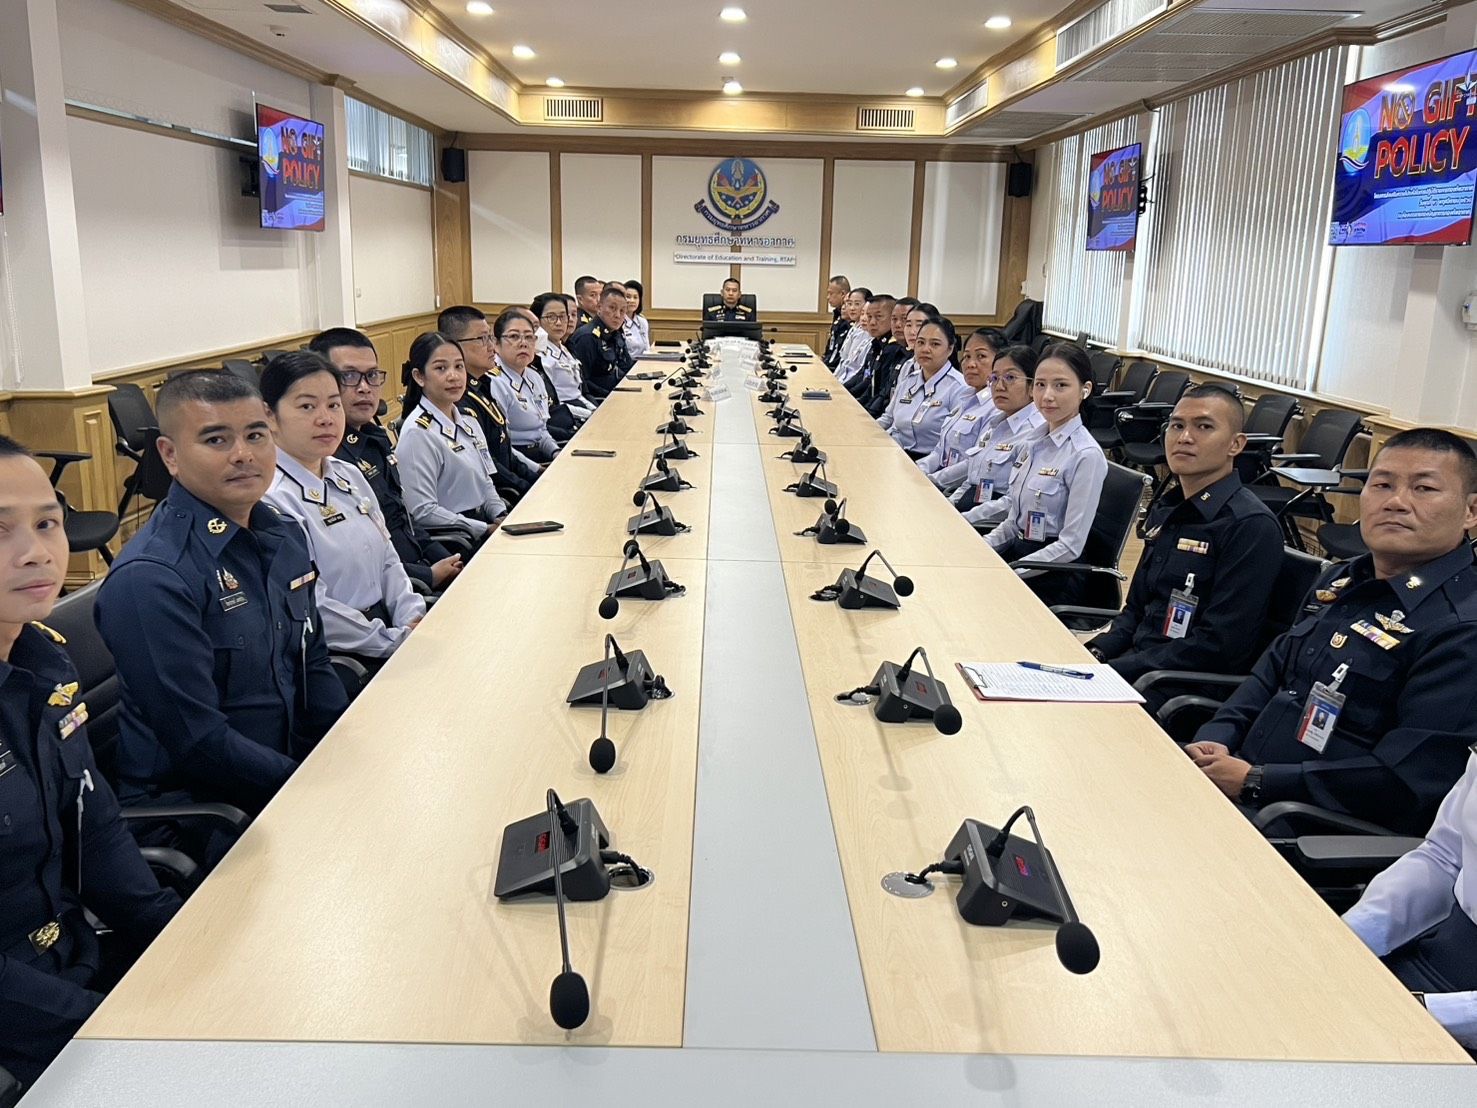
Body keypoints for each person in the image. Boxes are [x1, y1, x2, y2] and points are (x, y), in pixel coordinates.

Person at [1185, 428, 1477, 836]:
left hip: (1309, 830)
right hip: (1240, 788)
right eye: (1382, 484)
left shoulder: (1462, 629)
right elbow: (1273, 671)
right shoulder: (1344, 579)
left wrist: (1256, 780)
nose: (1396, 502)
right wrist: (1219, 733)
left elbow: (1403, 783)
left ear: (1471, 511)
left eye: (1423, 488)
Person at [0, 435, 181, 1090]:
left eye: (47, 523)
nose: (36, 551)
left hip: (76, 960)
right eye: (0, 530)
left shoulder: (43, 661)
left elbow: (93, 824)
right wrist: (102, 1033)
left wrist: (175, 937)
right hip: (26, 1025)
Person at [96, 371, 348, 819]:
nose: (243, 455)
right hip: (201, 810)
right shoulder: (153, 578)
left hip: (284, 775)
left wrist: (346, 750)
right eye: (216, 440)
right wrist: (310, 789)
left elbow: (312, 660)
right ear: (170, 455)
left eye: (256, 435)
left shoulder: (283, 533)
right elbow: (199, 743)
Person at [1085, 386, 1282, 706]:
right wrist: (1097, 652)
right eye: (1177, 425)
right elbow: (1135, 610)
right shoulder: (1170, 508)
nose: (1185, 437)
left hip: (1181, 688)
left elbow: (1218, 647)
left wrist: (1117, 670)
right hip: (1137, 667)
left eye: (1204, 426)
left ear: (1236, 444)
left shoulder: (1249, 526)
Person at [261, 353, 425, 666]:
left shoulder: (347, 473)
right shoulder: (272, 500)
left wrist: (412, 616)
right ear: (269, 415)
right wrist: (392, 641)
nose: (326, 418)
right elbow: (314, 605)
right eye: (307, 406)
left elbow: (388, 557)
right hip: (342, 656)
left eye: (333, 405)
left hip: (393, 632)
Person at [309, 328, 463, 595]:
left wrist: (448, 558)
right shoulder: (327, 460)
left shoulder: (374, 438)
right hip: (396, 589)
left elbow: (401, 517)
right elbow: (358, 558)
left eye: (371, 375)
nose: (364, 387)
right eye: (349, 376)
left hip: (418, 570)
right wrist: (427, 575)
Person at [1344, 752, 1477, 1051]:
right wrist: (1348, 939)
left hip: (1461, 1017)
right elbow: (1445, 857)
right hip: (1437, 955)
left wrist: (1422, 1013)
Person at [985, 342, 1109, 605]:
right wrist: (981, 548)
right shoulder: (1031, 442)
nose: (1047, 395)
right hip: (1019, 555)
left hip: (1053, 573)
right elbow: (1013, 521)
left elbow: (1070, 545)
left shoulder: (1085, 455)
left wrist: (1013, 572)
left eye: (1060, 385)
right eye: (1041, 384)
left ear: (1085, 390)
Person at [395, 332, 509, 540]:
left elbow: (485, 483)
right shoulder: (417, 434)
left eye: (459, 366)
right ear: (419, 377)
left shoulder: (469, 422)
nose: (453, 376)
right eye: (441, 368)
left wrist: (501, 515)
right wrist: (483, 528)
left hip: (484, 525)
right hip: (457, 537)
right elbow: (423, 511)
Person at [437, 305, 543, 500]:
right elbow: (486, 463)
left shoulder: (483, 385)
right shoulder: (457, 399)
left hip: (512, 483)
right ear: (454, 346)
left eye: (490, 338)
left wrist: (537, 476)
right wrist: (528, 488)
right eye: (482, 339)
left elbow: (505, 450)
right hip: (496, 495)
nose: (491, 347)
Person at [950, 344, 1046, 517]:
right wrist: (949, 505)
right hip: (967, 511)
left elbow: (1013, 502)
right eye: (994, 378)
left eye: (1010, 378)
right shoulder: (996, 423)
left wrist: (965, 519)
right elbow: (971, 481)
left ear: (1033, 386)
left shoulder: (1035, 433)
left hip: (987, 521)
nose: (999, 386)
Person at [916, 327, 1007, 479]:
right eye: (966, 356)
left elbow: (974, 463)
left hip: (954, 484)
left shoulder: (997, 406)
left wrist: (933, 480)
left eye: (981, 356)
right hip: (938, 477)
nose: (970, 364)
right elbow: (940, 450)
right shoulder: (965, 397)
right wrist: (918, 469)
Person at [878, 316, 971, 459]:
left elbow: (952, 445)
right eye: (920, 342)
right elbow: (888, 418)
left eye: (935, 344)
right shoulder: (909, 380)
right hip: (895, 452)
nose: (925, 349)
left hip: (929, 462)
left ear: (950, 349)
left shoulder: (959, 388)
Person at [533, 293, 597, 425]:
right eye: (551, 317)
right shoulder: (539, 356)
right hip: (564, 416)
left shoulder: (565, 349)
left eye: (562, 316)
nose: (558, 323)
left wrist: (594, 410)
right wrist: (590, 415)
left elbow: (578, 393)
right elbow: (553, 404)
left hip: (580, 408)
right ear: (537, 321)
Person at [568, 283, 635, 399]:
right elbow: (583, 382)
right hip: (600, 398)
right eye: (612, 308)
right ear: (599, 308)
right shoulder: (587, 337)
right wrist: (612, 395)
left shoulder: (614, 333)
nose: (617, 315)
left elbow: (625, 366)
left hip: (618, 392)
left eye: (622, 311)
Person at [874, 300, 931, 425]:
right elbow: (890, 415)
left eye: (919, 325)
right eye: (909, 325)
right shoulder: (907, 365)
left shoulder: (950, 381)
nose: (912, 331)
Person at [863, 296, 918, 418]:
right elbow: (883, 391)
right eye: (894, 319)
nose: (898, 325)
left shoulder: (894, 350)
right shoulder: (898, 352)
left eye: (905, 320)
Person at [832, 288, 873, 387]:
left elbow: (854, 367)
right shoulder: (854, 327)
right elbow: (844, 361)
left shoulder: (865, 332)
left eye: (857, 304)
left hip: (850, 383)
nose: (852, 308)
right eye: (849, 304)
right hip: (842, 378)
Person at [823, 274, 851, 368]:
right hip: (830, 362)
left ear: (842, 294)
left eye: (831, 293)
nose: (827, 297)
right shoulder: (837, 314)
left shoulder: (849, 318)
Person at [622, 279, 651, 358]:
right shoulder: (618, 321)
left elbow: (647, 348)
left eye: (635, 297)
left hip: (643, 362)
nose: (632, 301)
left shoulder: (642, 321)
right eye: (628, 297)